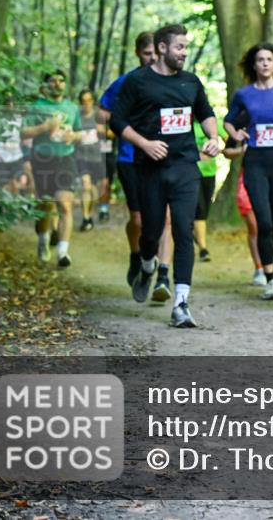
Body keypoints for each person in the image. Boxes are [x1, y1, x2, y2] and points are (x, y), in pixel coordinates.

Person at [109, 24, 221, 327]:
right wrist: (144, 143)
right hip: (151, 169)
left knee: (183, 231)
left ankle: (181, 303)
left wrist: (214, 137)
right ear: (162, 48)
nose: (184, 53)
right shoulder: (138, 82)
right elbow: (117, 121)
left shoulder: (190, 82)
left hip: (185, 167)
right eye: (179, 47)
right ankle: (147, 265)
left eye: (185, 47)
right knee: (151, 231)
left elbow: (205, 113)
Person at [99, 32, 174, 288]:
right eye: (146, 53)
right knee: (139, 220)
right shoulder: (126, 82)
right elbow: (102, 111)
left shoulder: (170, 81)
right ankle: (136, 255)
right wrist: (119, 126)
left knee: (164, 218)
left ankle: (162, 275)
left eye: (155, 53)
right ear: (137, 54)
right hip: (130, 157)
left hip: (163, 156)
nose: (152, 58)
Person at [223, 44, 273, 300]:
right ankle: (269, 279)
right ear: (253, 65)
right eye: (260, 60)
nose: (264, 63)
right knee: (262, 222)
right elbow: (228, 121)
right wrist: (236, 134)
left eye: (269, 59)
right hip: (254, 161)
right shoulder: (244, 95)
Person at [21, 70, 83, 268]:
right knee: (45, 206)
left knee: (64, 206)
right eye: (53, 81)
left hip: (66, 159)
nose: (57, 84)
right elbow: (23, 132)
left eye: (61, 81)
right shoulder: (37, 107)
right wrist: (44, 127)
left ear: (65, 84)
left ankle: (63, 252)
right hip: (42, 160)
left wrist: (73, 136)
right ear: (46, 85)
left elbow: (81, 132)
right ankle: (43, 240)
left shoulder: (72, 108)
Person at [223, 139, 265, 286]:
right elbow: (226, 151)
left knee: (268, 225)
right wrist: (242, 150)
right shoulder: (242, 121)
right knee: (254, 226)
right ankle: (259, 267)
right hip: (248, 176)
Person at [192, 119, 224, 262]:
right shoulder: (187, 124)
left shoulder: (212, 123)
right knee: (199, 210)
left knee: (204, 210)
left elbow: (227, 136)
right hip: (191, 172)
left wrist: (222, 149)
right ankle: (203, 249)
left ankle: (195, 239)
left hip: (210, 173)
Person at [75, 89, 105, 231]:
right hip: (81, 157)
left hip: (96, 157)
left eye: (89, 100)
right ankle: (85, 217)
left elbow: (112, 133)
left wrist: (103, 130)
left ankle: (90, 215)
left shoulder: (99, 116)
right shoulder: (77, 117)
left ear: (93, 102)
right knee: (85, 186)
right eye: (83, 101)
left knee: (93, 191)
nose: (86, 104)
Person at [0, 99, 29, 194]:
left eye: (12, 104)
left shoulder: (20, 119)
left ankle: (24, 205)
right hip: (1, 158)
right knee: (4, 186)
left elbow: (25, 135)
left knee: (22, 182)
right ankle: (3, 206)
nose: (10, 107)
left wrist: (25, 144)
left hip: (17, 157)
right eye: (7, 105)